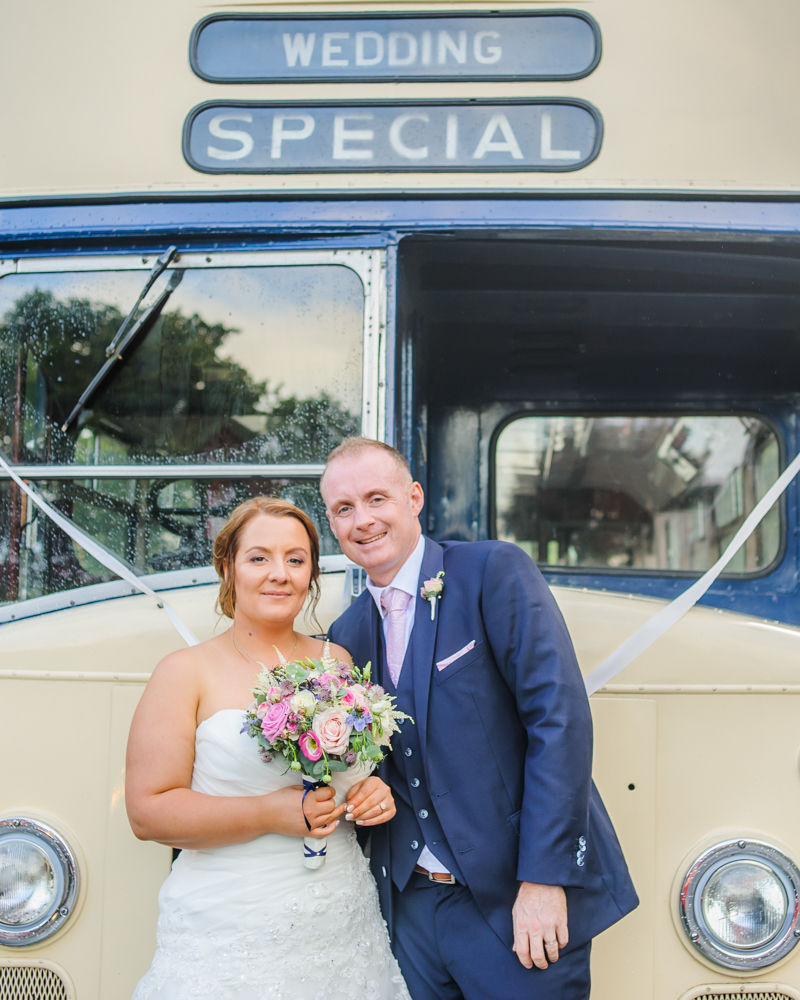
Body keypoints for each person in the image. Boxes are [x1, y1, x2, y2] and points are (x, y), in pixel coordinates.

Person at [321, 438, 639, 1000]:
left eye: (377, 498)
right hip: (409, 913)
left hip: (516, 903)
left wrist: (544, 879)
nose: (362, 520)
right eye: (344, 509)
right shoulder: (346, 637)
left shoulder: (492, 570)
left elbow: (558, 721)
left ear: (414, 497)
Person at [126, 496, 411, 1000]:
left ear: (312, 574)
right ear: (228, 567)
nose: (279, 574)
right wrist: (269, 813)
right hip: (230, 929)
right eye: (259, 558)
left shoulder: (338, 662)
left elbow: (350, 775)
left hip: (340, 923)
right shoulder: (183, 672)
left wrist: (371, 794)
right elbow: (148, 813)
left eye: (296, 560)